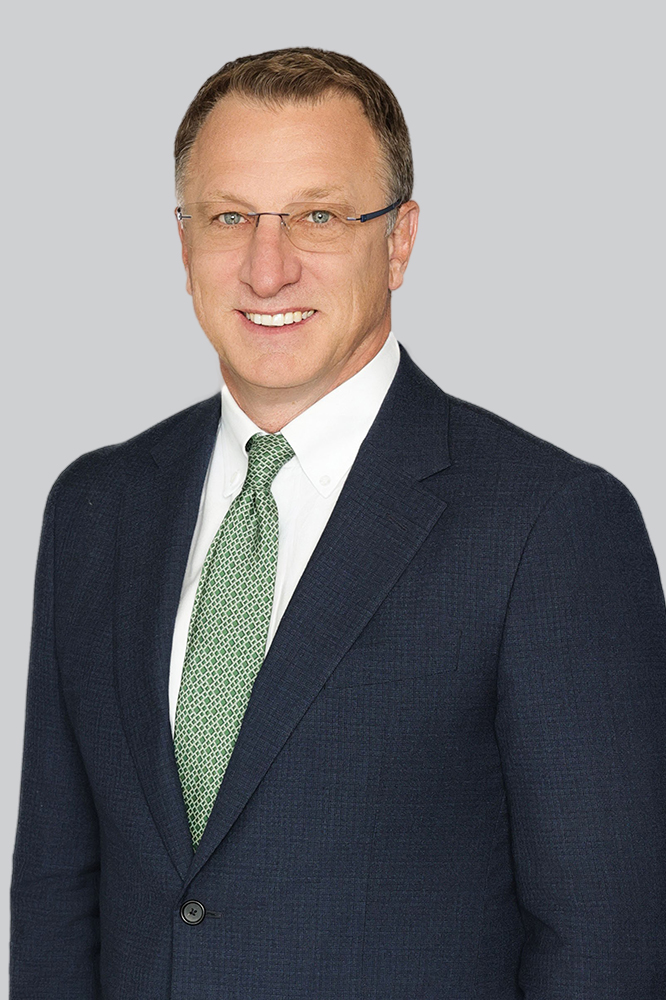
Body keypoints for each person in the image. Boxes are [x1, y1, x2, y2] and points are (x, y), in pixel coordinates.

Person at [10, 46, 666, 1000]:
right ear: (183, 243)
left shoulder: (550, 526)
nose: (267, 267)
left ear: (398, 240)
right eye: (230, 217)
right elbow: (55, 897)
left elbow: (608, 942)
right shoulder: (95, 508)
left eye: (317, 216)